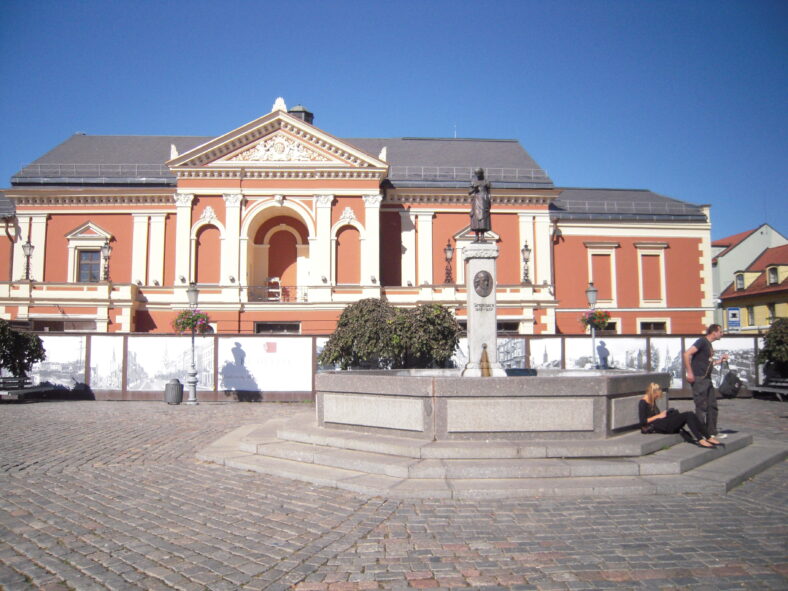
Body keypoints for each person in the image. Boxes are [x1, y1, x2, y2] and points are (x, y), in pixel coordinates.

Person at [683, 324, 729, 440]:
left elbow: (707, 363)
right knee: (701, 406)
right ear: (714, 332)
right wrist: (690, 372)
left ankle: (712, 432)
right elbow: (687, 354)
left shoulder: (709, 345)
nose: (722, 334)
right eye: (720, 332)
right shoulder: (702, 341)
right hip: (699, 379)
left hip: (707, 379)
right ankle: (700, 432)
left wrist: (719, 361)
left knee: (712, 406)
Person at [638, 383, 721, 447]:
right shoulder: (643, 402)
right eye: (656, 396)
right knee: (688, 415)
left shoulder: (651, 400)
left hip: (662, 423)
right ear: (652, 393)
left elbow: (656, 416)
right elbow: (643, 422)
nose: (657, 398)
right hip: (658, 426)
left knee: (690, 414)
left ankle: (708, 437)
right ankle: (700, 439)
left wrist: (664, 414)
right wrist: (659, 416)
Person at [469, 167, 491, 242]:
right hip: (476, 200)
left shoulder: (486, 182)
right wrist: (474, 188)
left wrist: (489, 202)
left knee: (483, 219)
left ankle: (482, 236)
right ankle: (476, 236)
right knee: (476, 218)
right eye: (476, 174)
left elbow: (489, 192)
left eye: (479, 173)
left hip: (484, 200)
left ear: (482, 173)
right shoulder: (474, 182)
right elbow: (469, 192)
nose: (478, 175)